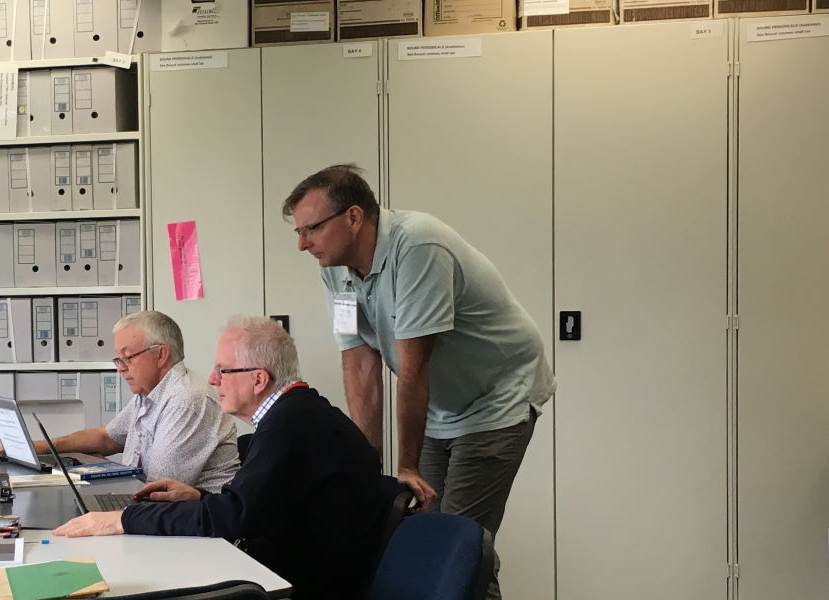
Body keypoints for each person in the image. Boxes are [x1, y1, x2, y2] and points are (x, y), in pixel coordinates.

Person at [284, 164, 553, 599]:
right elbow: (359, 363)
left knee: (458, 546)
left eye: (311, 228)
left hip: (497, 397)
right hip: (439, 406)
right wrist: (367, 466)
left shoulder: (418, 246)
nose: (302, 244)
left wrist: (406, 465)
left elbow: (414, 367)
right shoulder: (334, 267)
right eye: (298, 232)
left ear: (354, 217)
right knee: (427, 540)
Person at [52, 315, 393, 600]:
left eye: (223, 370)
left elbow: (234, 518)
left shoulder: (289, 425)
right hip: (305, 566)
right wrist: (199, 497)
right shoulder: (300, 412)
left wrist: (123, 519)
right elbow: (256, 507)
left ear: (258, 379)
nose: (212, 380)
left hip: (306, 585)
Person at [31, 311, 241, 491]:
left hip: (194, 519)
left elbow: (158, 488)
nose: (120, 368)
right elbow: (107, 438)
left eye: (128, 357)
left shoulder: (186, 400)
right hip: (158, 509)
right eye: (118, 359)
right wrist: (40, 447)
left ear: (160, 355)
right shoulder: (151, 392)